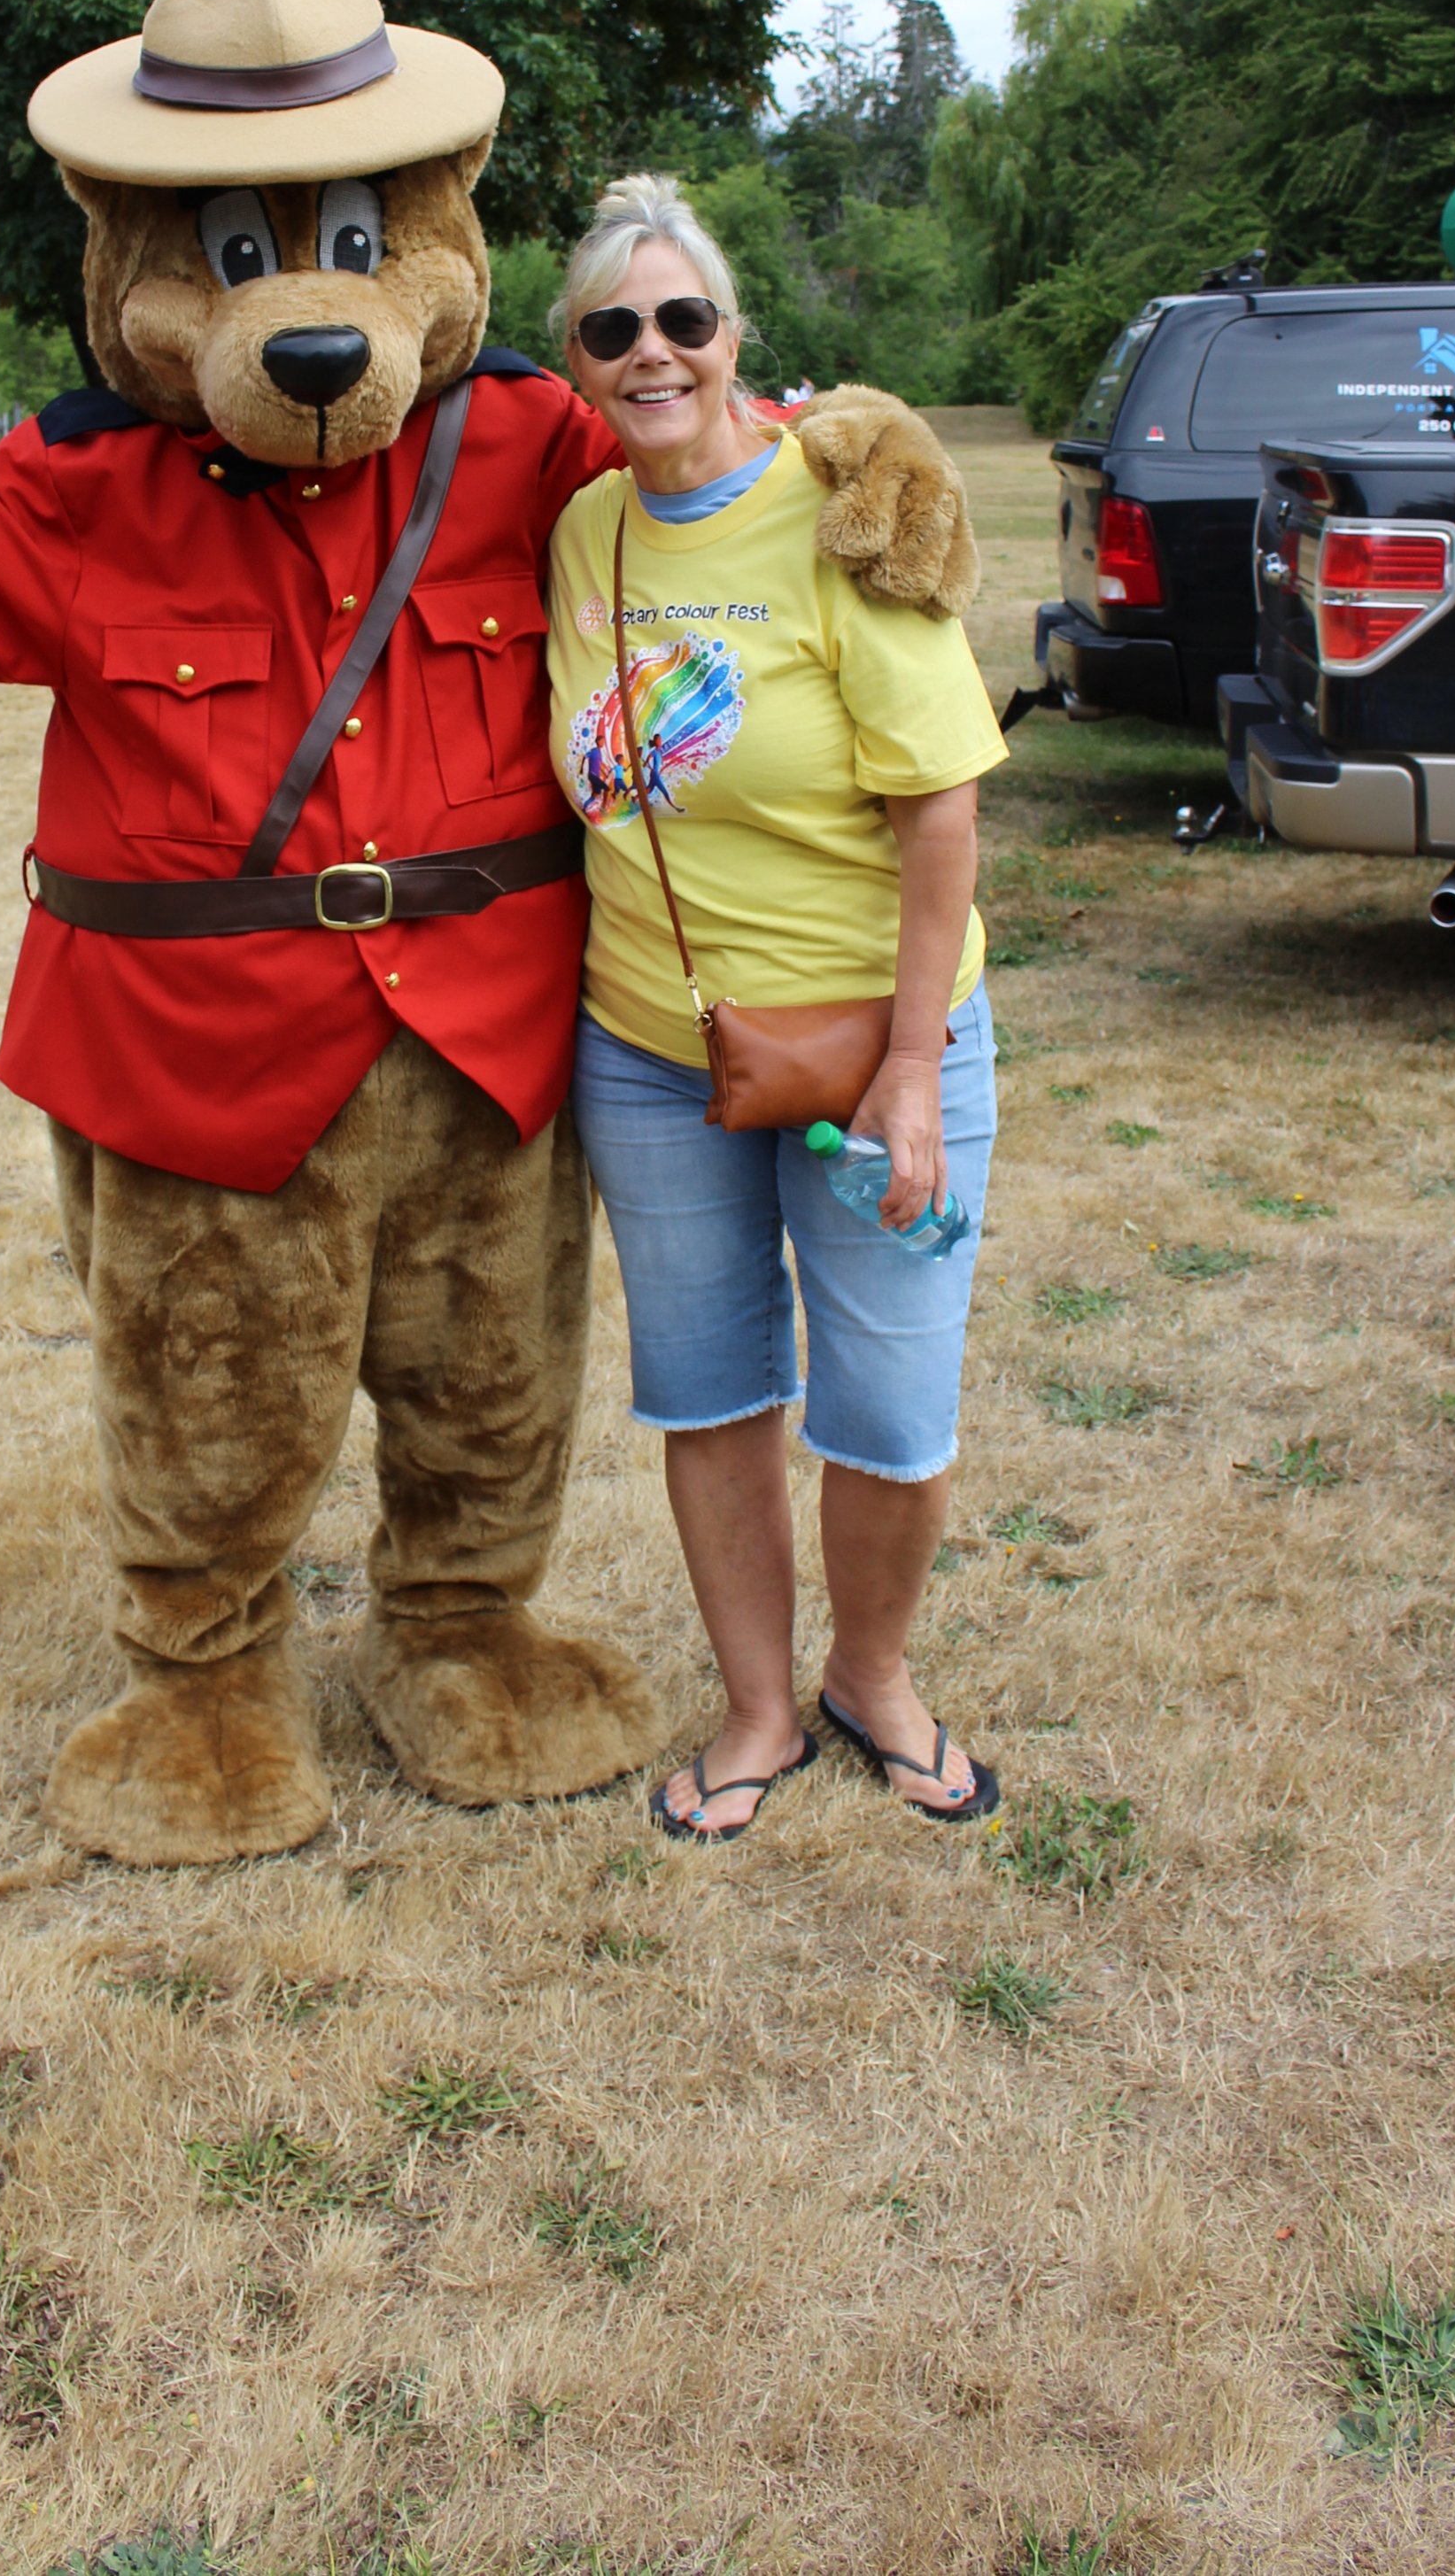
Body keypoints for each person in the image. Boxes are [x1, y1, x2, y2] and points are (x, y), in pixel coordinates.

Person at [544, 174, 1008, 1841]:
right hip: (654, 1056)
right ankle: (758, 1709)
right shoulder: (585, 532)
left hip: (875, 1050)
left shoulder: (838, 507)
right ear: (579, 363)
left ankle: (873, 1678)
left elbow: (941, 801)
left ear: (737, 335)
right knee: (706, 1386)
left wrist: (905, 1068)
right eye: (615, 328)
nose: (653, 352)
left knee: (887, 1400)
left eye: (685, 319)